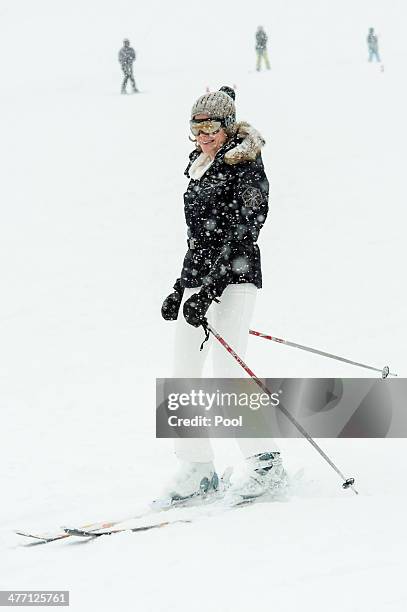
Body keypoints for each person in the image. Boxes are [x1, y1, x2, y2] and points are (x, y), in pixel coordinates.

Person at [160, 86, 286, 502]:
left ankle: (265, 463)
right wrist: (182, 287)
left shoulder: (246, 167)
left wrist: (211, 288)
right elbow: (198, 239)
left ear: (227, 127)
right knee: (182, 371)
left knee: (226, 373)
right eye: (195, 128)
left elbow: (243, 231)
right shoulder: (198, 167)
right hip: (200, 280)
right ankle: (196, 466)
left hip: (236, 277)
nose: (203, 135)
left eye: (211, 127)